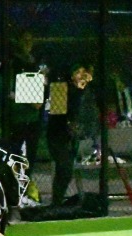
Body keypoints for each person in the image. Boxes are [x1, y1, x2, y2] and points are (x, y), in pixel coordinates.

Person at [48, 63, 99, 206]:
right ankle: (56, 202)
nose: (81, 76)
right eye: (78, 72)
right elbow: (60, 114)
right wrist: (78, 92)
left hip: (73, 136)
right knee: (64, 169)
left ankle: (57, 202)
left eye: (83, 73)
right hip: (58, 134)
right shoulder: (61, 88)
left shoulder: (86, 91)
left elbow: (89, 113)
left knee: (66, 170)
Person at [8, 30, 46, 206]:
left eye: (30, 40)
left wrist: (32, 99)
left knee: (29, 159)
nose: (28, 43)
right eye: (25, 39)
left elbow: (39, 99)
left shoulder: (35, 64)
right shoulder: (12, 63)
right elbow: (9, 93)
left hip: (33, 121)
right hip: (17, 120)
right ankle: (14, 196)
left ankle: (24, 195)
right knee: (15, 159)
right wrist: (29, 99)